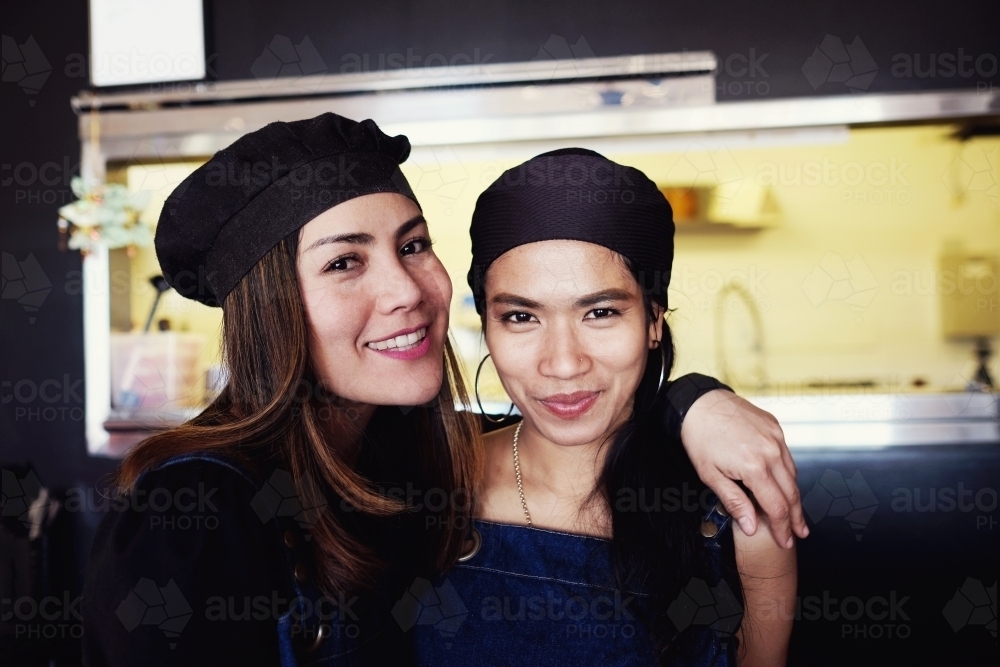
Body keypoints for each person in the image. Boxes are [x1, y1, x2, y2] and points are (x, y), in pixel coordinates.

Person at [82, 113, 802, 667]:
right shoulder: (194, 514)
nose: (406, 290)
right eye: (344, 262)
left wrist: (692, 399)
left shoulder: (413, 454)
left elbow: (577, 424)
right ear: (271, 307)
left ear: (654, 319)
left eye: (412, 245)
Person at [411, 149, 797, 666]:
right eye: (521, 317)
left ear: (654, 320)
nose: (563, 363)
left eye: (600, 312)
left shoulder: (738, 511)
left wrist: (691, 396)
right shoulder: (426, 479)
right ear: (487, 327)